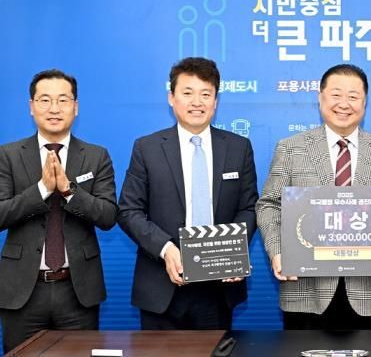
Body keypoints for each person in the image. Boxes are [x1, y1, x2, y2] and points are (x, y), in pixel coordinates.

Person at [256, 64, 371, 330]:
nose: (344, 104)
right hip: (306, 290)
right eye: (336, 95)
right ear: (320, 98)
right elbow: (269, 205)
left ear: (364, 102)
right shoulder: (291, 148)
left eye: (353, 96)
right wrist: (278, 251)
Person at [117, 57, 258, 330]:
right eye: (187, 93)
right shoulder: (147, 148)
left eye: (206, 94)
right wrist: (166, 249)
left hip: (218, 288)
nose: (197, 102)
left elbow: (249, 207)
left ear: (216, 101)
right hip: (161, 284)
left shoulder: (238, 147)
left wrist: (235, 252)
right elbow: (129, 210)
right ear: (171, 98)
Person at [0, 69, 117, 352]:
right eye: (45, 100)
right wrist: (41, 189)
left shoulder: (96, 156)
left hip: (78, 291)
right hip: (22, 291)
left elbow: (108, 216)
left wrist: (68, 191)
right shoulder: (8, 155)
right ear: (31, 106)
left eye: (63, 100)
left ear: (75, 107)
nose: (54, 108)